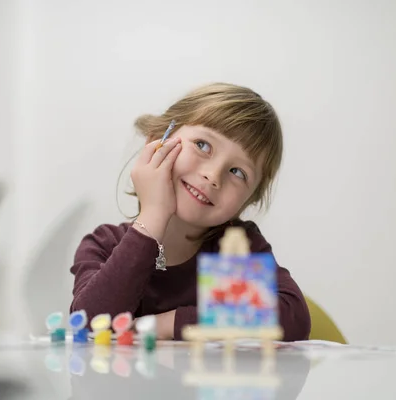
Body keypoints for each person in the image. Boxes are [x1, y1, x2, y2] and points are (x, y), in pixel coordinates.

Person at [70, 82, 310, 341]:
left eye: (238, 172)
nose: (213, 175)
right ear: (157, 141)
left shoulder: (232, 250)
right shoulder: (105, 244)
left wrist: (162, 324)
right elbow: (91, 327)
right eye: (203, 145)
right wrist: (153, 214)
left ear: (248, 201)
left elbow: (292, 316)